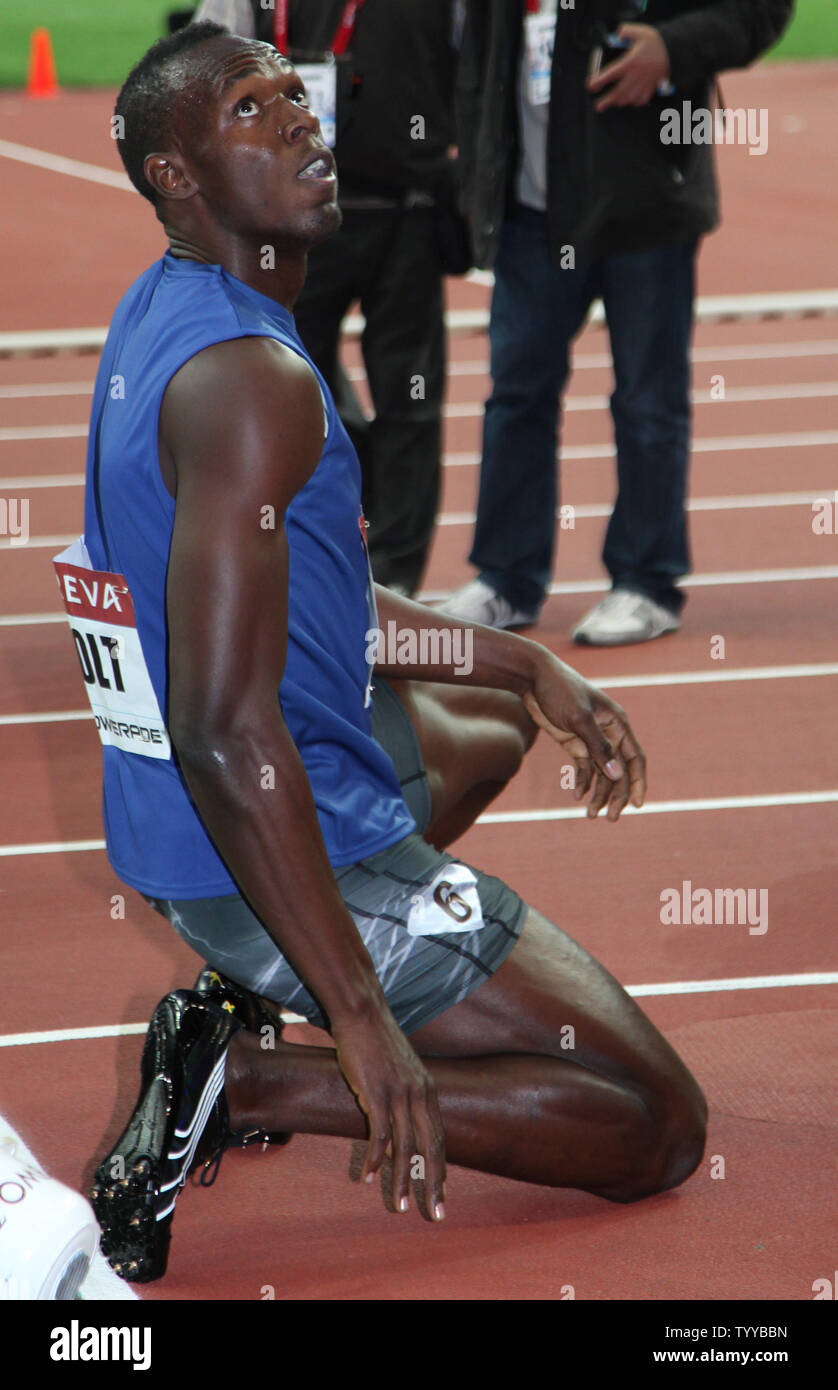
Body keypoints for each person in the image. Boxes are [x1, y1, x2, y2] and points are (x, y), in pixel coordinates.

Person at [71, 24, 706, 1284]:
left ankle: (259, 998)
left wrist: (526, 665)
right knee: (656, 1123)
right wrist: (358, 1015)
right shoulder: (253, 379)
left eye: (290, 95)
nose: (302, 118)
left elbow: (324, 619)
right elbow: (223, 724)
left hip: (184, 812)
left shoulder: (181, 307)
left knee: (491, 726)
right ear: (174, 177)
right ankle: (255, 1075)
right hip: (259, 823)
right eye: (252, 110)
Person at [442, 0, 794, 644]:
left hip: (645, 203)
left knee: (647, 399)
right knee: (516, 394)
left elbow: (762, 10)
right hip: (528, 208)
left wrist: (673, 45)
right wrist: (473, 181)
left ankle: (647, 583)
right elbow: (468, 48)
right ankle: (507, 579)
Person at [192, 0, 465, 597]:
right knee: (288, 394)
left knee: (410, 400)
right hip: (290, 220)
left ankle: (395, 584)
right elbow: (200, 68)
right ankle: (312, 560)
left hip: (410, 210)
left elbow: (483, 64)